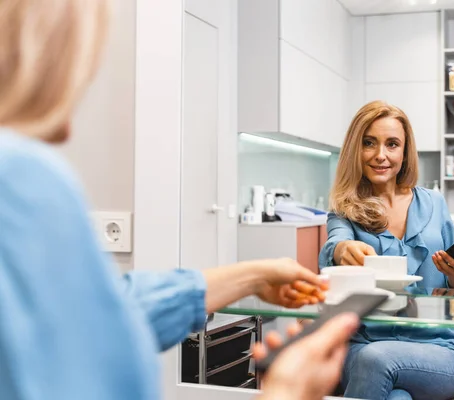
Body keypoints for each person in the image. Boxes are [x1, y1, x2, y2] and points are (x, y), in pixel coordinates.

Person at [0, 1, 358, 399]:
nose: (66, 129)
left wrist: (253, 277)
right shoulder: (20, 179)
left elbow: (94, 316)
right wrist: (287, 391)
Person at [319, 100, 454, 400]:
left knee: (377, 362)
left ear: (405, 152)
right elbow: (334, 245)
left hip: (435, 351)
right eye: (369, 143)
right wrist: (343, 248)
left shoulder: (434, 203)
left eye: (392, 144)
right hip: (364, 344)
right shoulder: (344, 210)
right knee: (395, 395)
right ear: (356, 148)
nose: (381, 155)